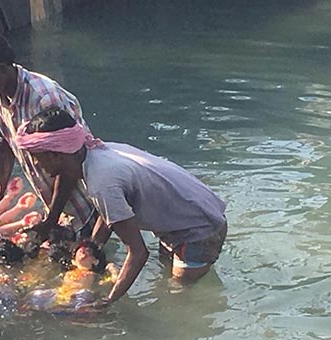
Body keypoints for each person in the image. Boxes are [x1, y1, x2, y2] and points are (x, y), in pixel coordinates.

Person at [15, 107, 228, 308]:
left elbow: (138, 253)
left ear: (56, 155)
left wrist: (109, 301)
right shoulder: (99, 154)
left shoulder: (101, 182)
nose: (37, 165)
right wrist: (90, 249)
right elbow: (108, 213)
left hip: (199, 229)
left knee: (179, 296)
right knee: (166, 275)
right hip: (187, 214)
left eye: (37, 158)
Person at [0, 29, 100, 240]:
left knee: (89, 261)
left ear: (1, 69)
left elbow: (69, 163)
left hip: (86, 204)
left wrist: (50, 221)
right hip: (54, 205)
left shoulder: (43, 97)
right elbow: (3, 145)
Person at [24, 240, 119, 312]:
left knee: (84, 295)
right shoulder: (68, 272)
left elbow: (114, 280)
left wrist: (111, 267)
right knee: (34, 296)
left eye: (88, 251)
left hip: (79, 295)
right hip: (62, 294)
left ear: (95, 261)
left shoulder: (93, 275)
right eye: (80, 250)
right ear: (73, 260)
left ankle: (79, 313)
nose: (83, 252)